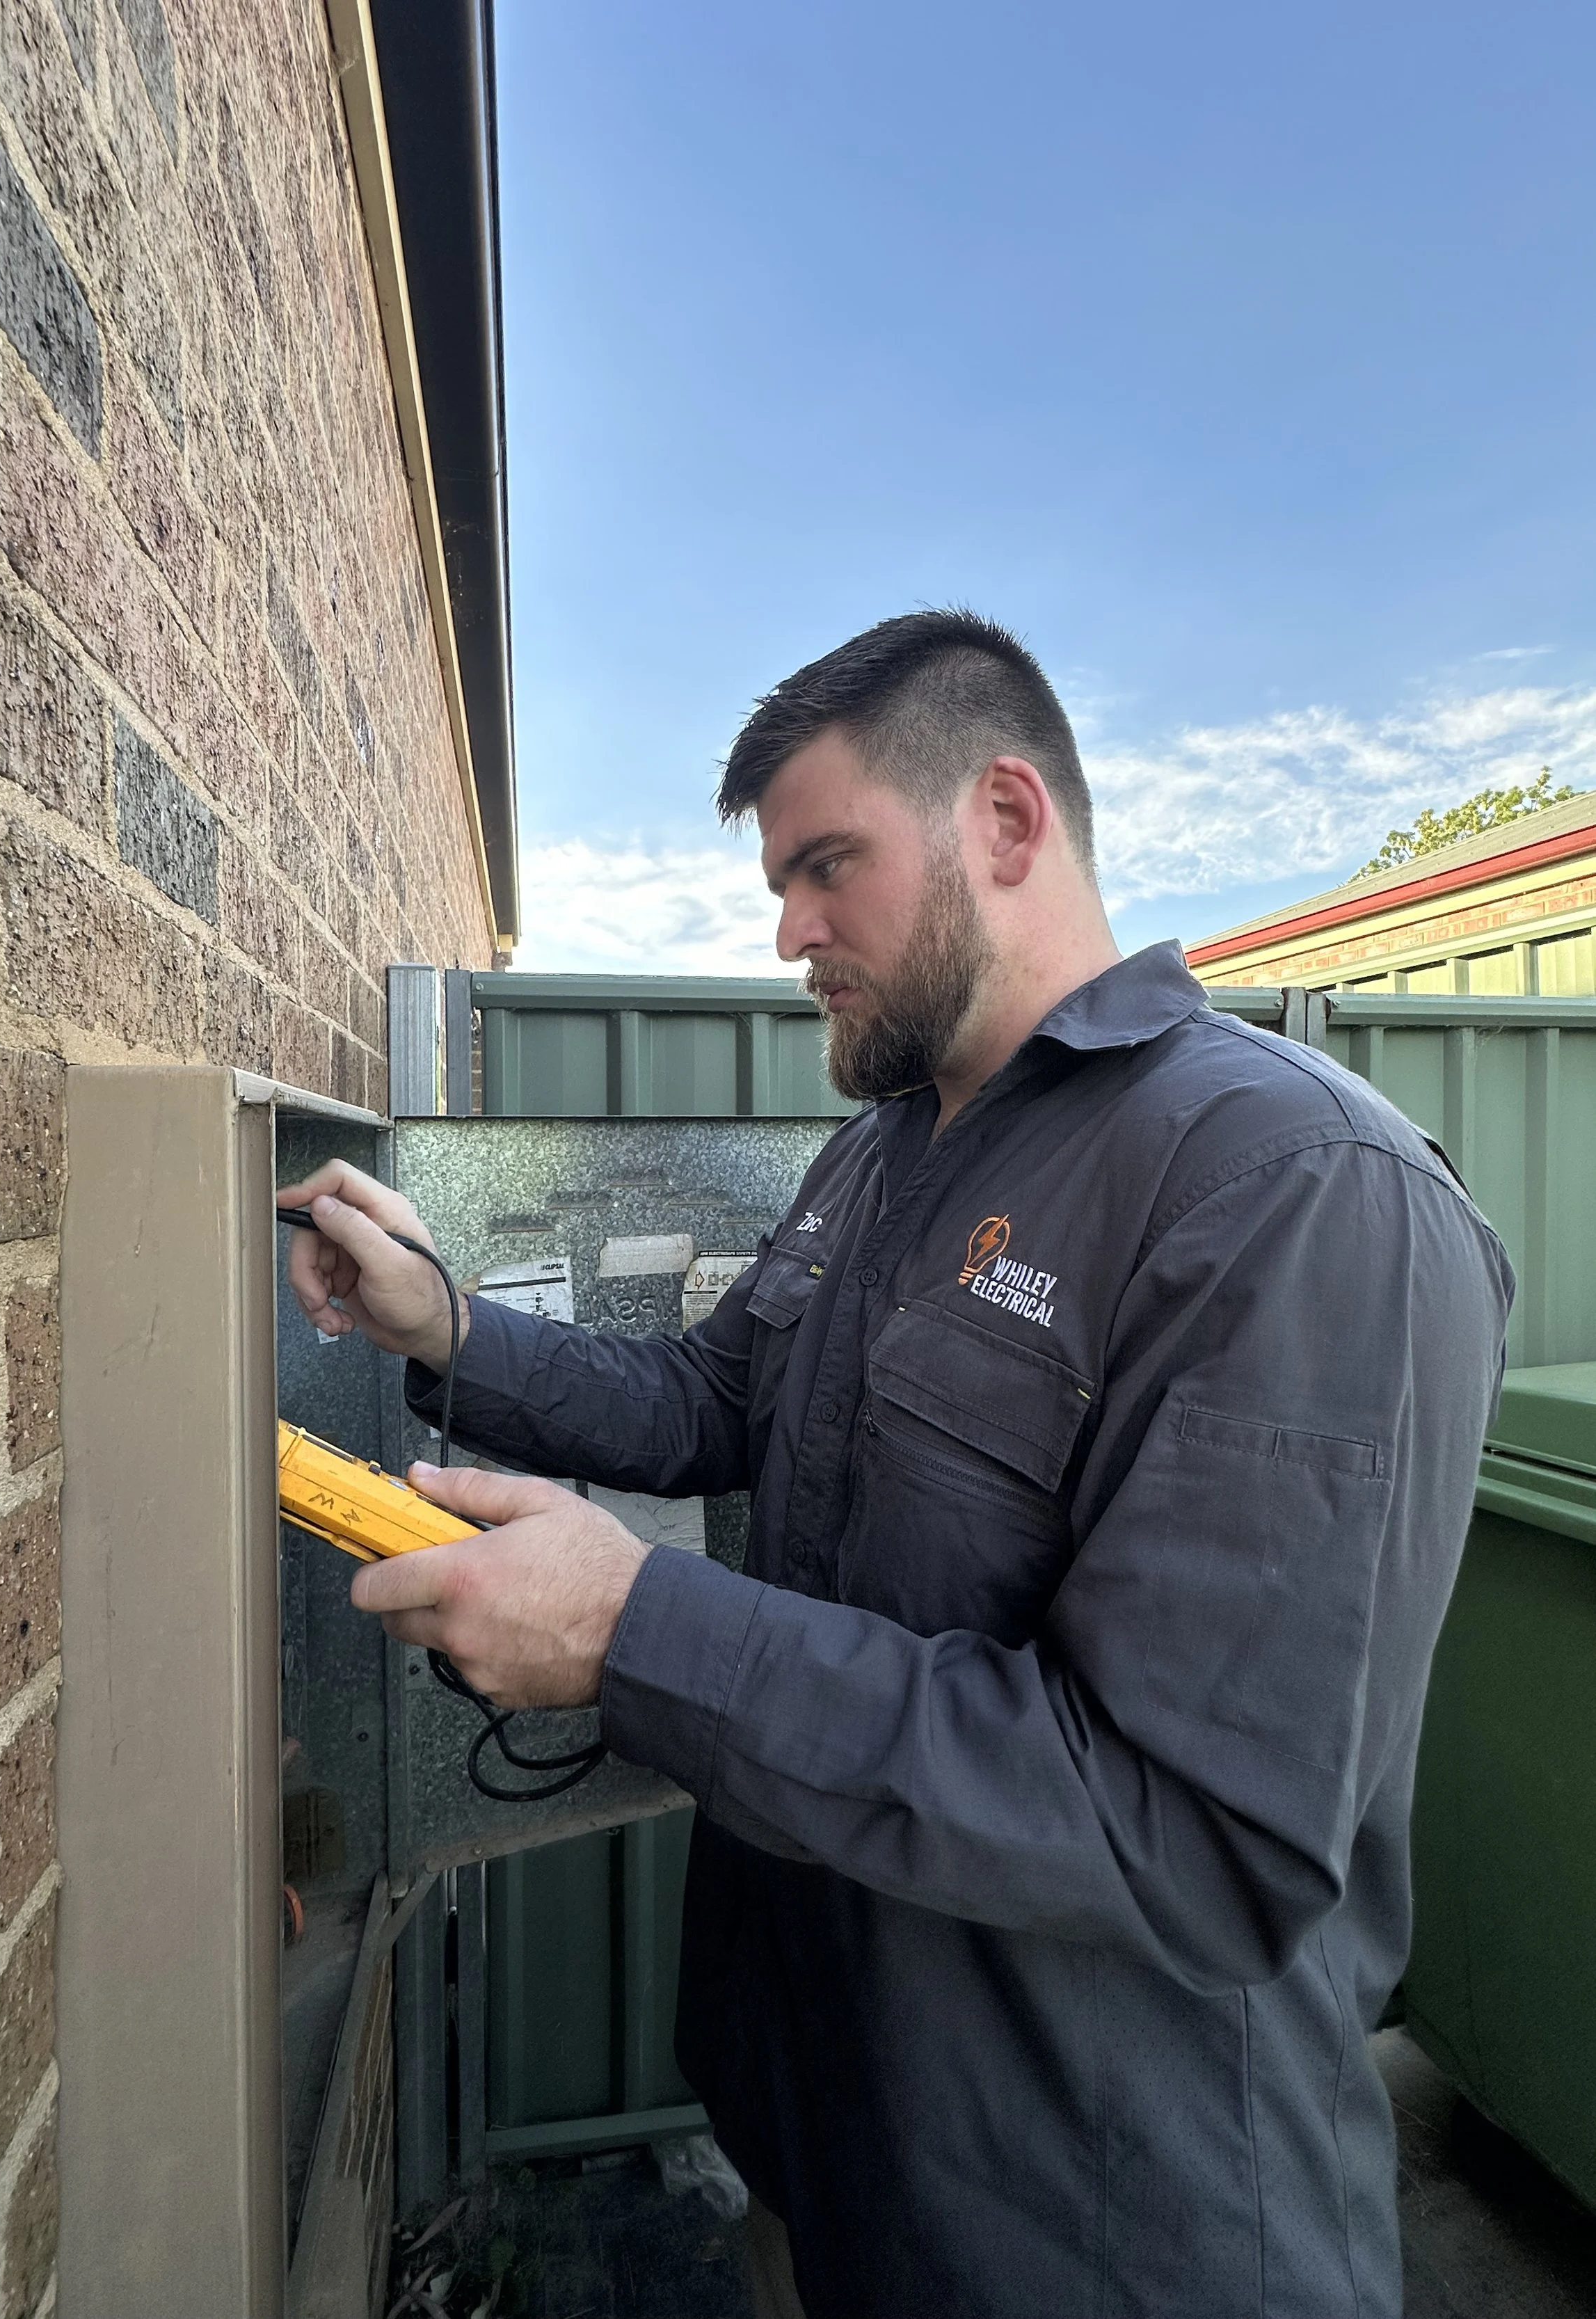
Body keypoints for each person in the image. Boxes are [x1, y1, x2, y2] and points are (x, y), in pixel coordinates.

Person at [280, 610, 1513, 2319]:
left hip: (1087, 2236)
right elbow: (703, 1404)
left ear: (1003, 821)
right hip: (818, 2139)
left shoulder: (1298, 1192)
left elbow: (1192, 1829)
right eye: (780, 880)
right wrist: (444, 1330)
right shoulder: (879, 1157)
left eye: (824, 865)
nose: (787, 929)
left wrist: (636, 1630)